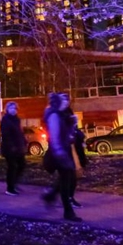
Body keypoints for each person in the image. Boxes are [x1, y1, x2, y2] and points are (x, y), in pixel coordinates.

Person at [41, 92, 81, 221]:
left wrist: (72, 124)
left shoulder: (61, 115)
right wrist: (60, 153)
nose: (66, 103)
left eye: (67, 101)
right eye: (63, 101)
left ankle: (51, 196)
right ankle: (68, 212)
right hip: (57, 153)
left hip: (62, 151)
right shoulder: (54, 115)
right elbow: (55, 137)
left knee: (66, 178)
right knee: (66, 179)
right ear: (57, 102)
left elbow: (67, 135)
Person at [0, 101, 26, 196]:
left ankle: (14, 183)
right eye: (11, 108)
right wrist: (11, 146)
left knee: (22, 164)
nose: (13, 110)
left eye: (15, 108)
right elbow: (6, 135)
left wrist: (24, 142)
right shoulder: (5, 120)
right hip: (9, 148)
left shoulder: (16, 119)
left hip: (18, 147)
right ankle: (10, 188)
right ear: (7, 109)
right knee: (12, 166)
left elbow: (20, 132)